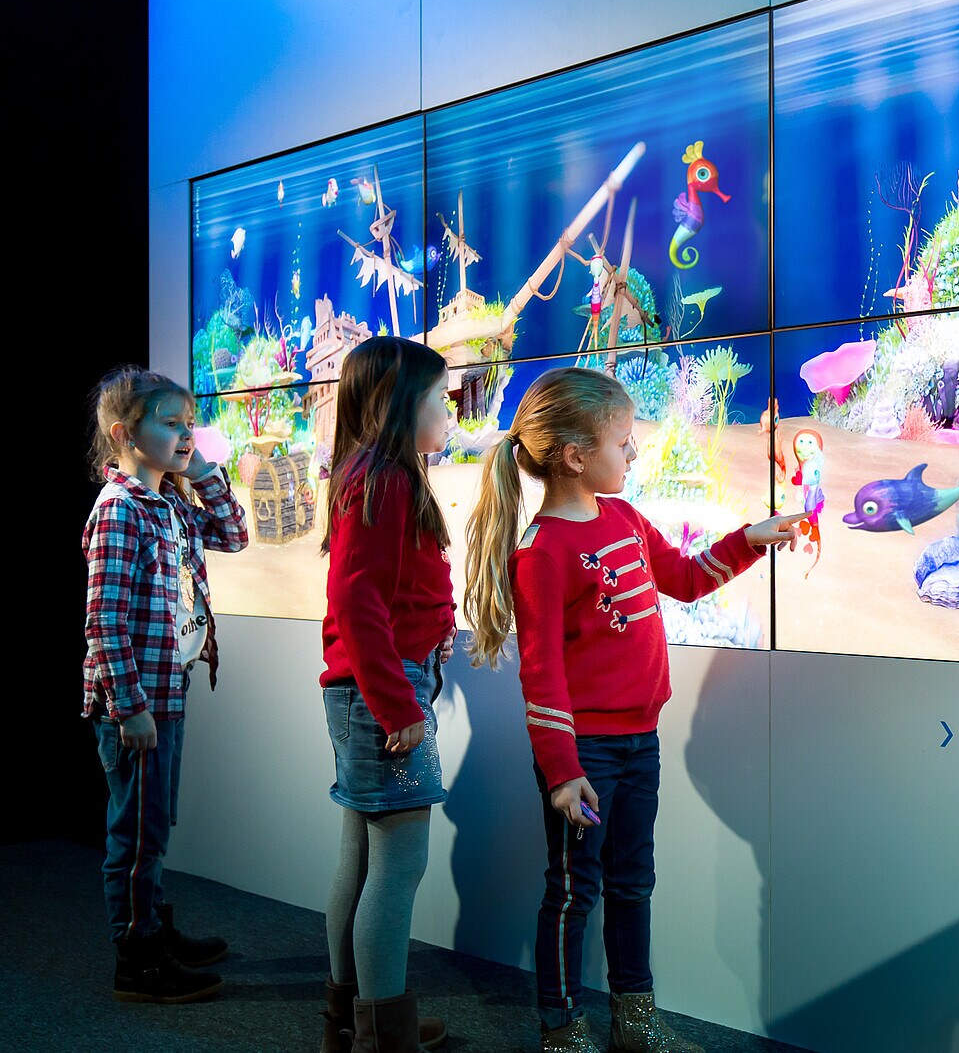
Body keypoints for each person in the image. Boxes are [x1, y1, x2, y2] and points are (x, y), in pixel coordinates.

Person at [463, 365, 801, 1053]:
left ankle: (635, 1020)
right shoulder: (542, 552)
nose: (632, 453)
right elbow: (543, 676)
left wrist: (749, 538)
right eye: (623, 441)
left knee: (633, 881)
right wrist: (561, 772)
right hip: (584, 757)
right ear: (576, 456)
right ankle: (560, 1029)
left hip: (639, 742)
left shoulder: (621, 515)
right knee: (572, 891)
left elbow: (680, 576)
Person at [83, 366, 248, 1002]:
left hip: (166, 689)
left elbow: (232, 533)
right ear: (126, 434)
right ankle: (137, 957)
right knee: (136, 830)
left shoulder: (171, 501)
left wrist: (203, 472)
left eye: (189, 424)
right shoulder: (120, 512)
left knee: (157, 820)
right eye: (170, 424)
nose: (186, 435)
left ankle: (153, 924)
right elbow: (104, 618)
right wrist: (130, 707)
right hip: (139, 699)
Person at [317, 337, 455, 1053]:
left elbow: (387, 589)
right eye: (438, 396)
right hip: (382, 696)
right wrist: (399, 706)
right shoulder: (387, 479)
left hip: (366, 688)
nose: (450, 405)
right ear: (402, 404)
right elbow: (357, 597)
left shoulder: (372, 473)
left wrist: (438, 625)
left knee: (362, 861)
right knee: (397, 867)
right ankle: (384, 1035)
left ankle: (352, 1021)